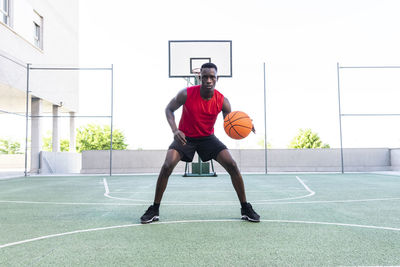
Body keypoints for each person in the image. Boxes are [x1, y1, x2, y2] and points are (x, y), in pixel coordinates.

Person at [140, 62, 260, 223]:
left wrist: (245, 124)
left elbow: (230, 123)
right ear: (200, 77)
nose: (208, 80)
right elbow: (169, 109)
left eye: (212, 77)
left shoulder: (223, 101)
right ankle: (154, 209)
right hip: (185, 137)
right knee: (167, 165)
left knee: (232, 164)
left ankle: (245, 208)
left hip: (207, 138)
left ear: (217, 79)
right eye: (205, 77)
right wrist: (175, 130)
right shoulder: (186, 94)